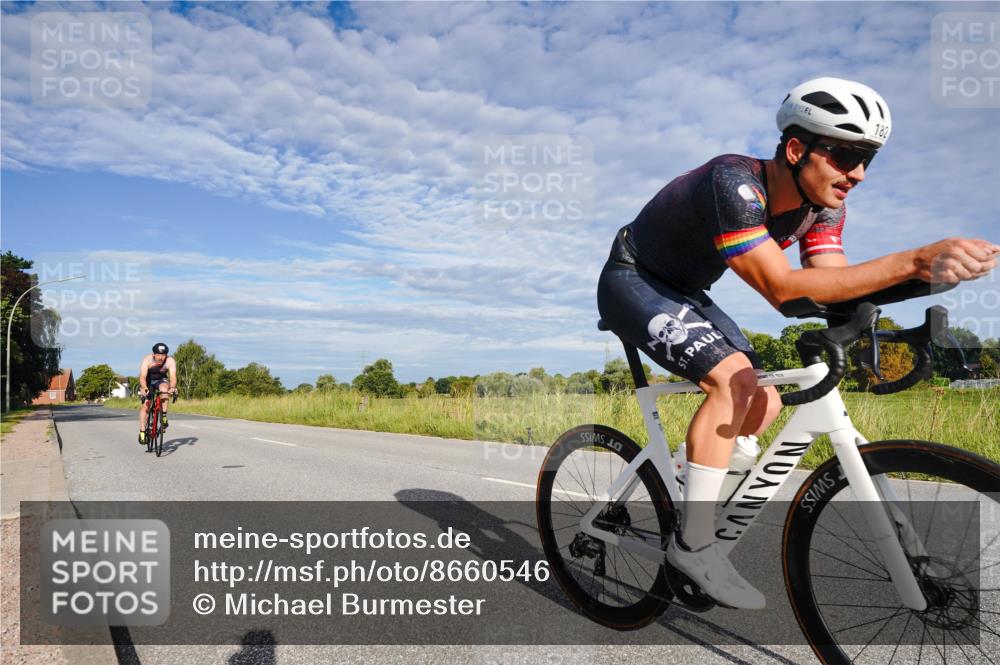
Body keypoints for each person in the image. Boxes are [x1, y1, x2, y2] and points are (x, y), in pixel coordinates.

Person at [597, 77, 999, 610]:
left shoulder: (825, 207)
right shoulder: (733, 183)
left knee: (763, 399)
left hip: (687, 291)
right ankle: (693, 546)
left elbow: (832, 285)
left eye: (867, 159)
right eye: (845, 156)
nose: (858, 173)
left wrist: (921, 284)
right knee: (733, 382)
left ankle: (688, 468)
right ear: (795, 149)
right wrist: (911, 259)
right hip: (633, 279)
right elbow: (784, 291)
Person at [138, 342, 177, 445]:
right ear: (154, 354)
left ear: (166, 355)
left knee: (164, 390)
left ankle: (163, 415)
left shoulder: (170, 361)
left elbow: (173, 377)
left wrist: (172, 388)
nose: (160, 357)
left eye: (163, 355)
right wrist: (145, 388)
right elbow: (142, 377)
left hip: (161, 380)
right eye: (158, 355)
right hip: (148, 381)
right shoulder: (147, 360)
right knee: (146, 405)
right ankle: (142, 431)